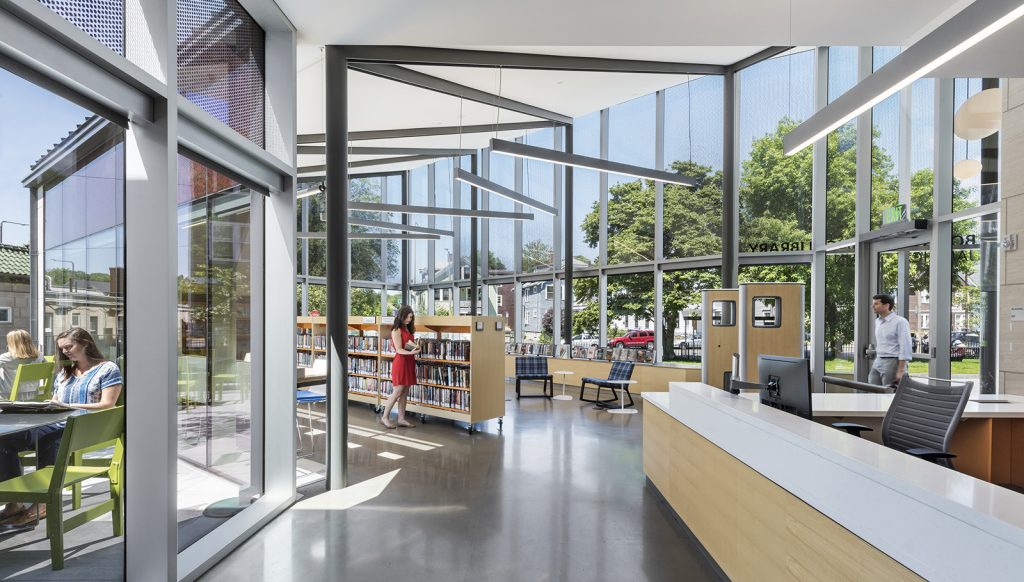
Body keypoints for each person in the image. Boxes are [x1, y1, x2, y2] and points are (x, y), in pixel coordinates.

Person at [0, 327, 123, 527]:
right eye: (62, 348)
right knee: (6, 439)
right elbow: (55, 401)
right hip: (58, 423)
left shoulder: (107, 368)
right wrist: (43, 407)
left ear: (85, 343)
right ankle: (15, 503)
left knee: (50, 439)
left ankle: (44, 502)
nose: (65, 351)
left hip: (87, 426)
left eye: (69, 346)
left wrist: (68, 407)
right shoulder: (65, 373)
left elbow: (108, 404)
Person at [380, 306, 420, 429]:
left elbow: (408, 345)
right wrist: (413, 352)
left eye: (411, 317)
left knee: (405, 392)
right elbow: (399, 349)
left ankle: (401, 419)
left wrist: (416, 347)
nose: (409, 319)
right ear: (402, 316)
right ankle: (385, 417)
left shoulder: (408, 329)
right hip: (401, 362)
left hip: (409, 362)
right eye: (408, 317)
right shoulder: (396, 330)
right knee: (397, 391)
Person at [869, 294, 913, 388]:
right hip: (878, 360)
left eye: (876, 304)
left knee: (891, 395)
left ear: (886, 305)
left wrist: (901, 370)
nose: (872, 306)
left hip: (893, 362)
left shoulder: (900, 322)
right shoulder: (878, 321)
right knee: (872, 391)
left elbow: (905, 346)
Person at [0, 329, 44, 399]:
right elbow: (48, 369)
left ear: (11, 343)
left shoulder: (6, 357)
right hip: (34, 393)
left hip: (10, 395)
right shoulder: (39, 356)